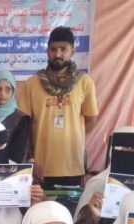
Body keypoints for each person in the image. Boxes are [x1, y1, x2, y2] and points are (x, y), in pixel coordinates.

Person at [19, 26, 98, 188]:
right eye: (53, 49)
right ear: (47, 51)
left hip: (72, 166)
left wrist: (71, 136)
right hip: (40, 168)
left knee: (70, 205)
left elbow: (91, 120)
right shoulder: (32, 84)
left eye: (63, 49)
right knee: (40, 205)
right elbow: (23, 127)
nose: (58, 54)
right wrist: (31, 160)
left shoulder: (84, 82)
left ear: (72, 51)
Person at [0, 69, 30, 163]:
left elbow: (18, 154)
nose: (2, 94)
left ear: (13, 91)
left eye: (8, 89)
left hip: (8, 169)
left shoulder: (20, 119)